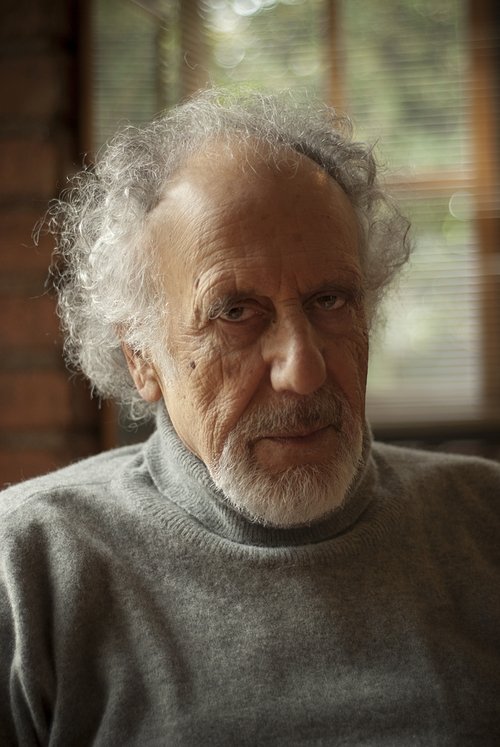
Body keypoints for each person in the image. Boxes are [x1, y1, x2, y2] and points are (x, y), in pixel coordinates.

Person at [0, 89, 499, 746]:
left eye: (330, 301)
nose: (303, 371)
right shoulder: (28, 568)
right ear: (142, 357)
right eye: (235, 313)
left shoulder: (484, 521)